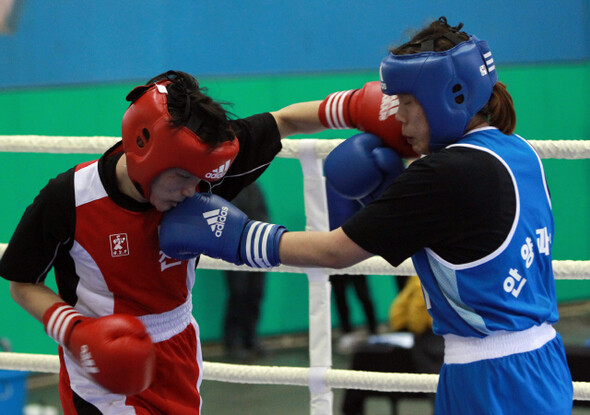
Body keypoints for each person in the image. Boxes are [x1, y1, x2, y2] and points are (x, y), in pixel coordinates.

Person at [159, 18, 574, 414]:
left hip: (492, 379)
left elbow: (333, 252)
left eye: (409, 104)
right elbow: (464, 240)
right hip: (543, 362)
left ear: (452, 96)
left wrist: (234, 235)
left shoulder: (445, 172)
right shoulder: (517, 150)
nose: (398, 117)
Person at [0, 70, 334, 414]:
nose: (194, 190)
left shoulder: (202, 163)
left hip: (180, 353)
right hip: (101, 368)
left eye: (202, 179)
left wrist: (362, 108)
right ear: (147, 153)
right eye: (184, 178)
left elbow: (286, 120)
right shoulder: (68, 198)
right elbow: (21, 281)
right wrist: (73, 331)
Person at [326, 184, 378, 354]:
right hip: (330, 246)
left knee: (362, 291)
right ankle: (347, 333)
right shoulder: (321, 183)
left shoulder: (350, 179)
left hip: (354, 244)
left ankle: (373, 331)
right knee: (339, 293)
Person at [222, 182, 269, 360]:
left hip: (257, 252)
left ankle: (251, 339)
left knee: (255, 294)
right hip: (234, 252)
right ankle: (233, 342)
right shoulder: (229, 188)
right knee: (238, 295)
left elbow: (264, 215)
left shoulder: (255, 187)